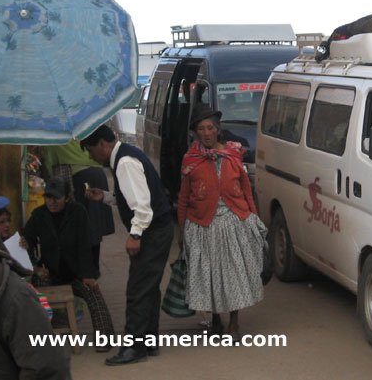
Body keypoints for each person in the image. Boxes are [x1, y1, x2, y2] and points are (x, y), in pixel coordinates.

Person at [80, 124, 173, 366]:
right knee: (148, 287)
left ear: (102, 144)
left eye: (91, 150)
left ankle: (134, 347)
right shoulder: (125, 157)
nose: (91, 156)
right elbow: (133, 198)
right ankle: (148, 342)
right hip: (157, 229)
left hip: (152, 231)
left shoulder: (125, 162)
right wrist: (108, 197)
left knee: (138, 289)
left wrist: (135, 235)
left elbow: (142, 207)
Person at [177, 104, 265, 337]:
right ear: (196, 133)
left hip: (234, 222)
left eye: (210, 128)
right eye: (201, 129)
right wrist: (181, 230)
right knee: (211, 274)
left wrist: (254, 218)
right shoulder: (191, 159)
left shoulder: (233, 155)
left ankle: (234, 322)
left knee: (235, 272)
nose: (206, 133)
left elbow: (247, 189)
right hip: (203, 225)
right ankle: (216, 318)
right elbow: (184, 198)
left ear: (217, 130)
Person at [22, 178, 115, 350]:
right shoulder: (39, 214)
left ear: (67, 197)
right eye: (48, 197)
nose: (52, 202)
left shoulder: (78, 212)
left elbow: (85, 245)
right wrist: (35, 265)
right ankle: (46, 340)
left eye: (56, 198)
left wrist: (88, 274)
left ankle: (104, 341)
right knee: (38, 296)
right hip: (49, 271)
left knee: (94, 295)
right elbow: (27, 238)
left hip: (76, 272)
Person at [0, 203, 72, 379]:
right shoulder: (14, 295)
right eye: (0, 222)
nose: (6, 225)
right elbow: (47, 366)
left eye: (8, 221)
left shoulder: (16, 244)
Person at [41, 141, 113, 272]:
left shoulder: (51, 130)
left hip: (79, 177)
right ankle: (92, 269)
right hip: (97, 174)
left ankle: (87, 271)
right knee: (93, 226)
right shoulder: (76, 125)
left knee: (82, 226)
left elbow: (49, 162)